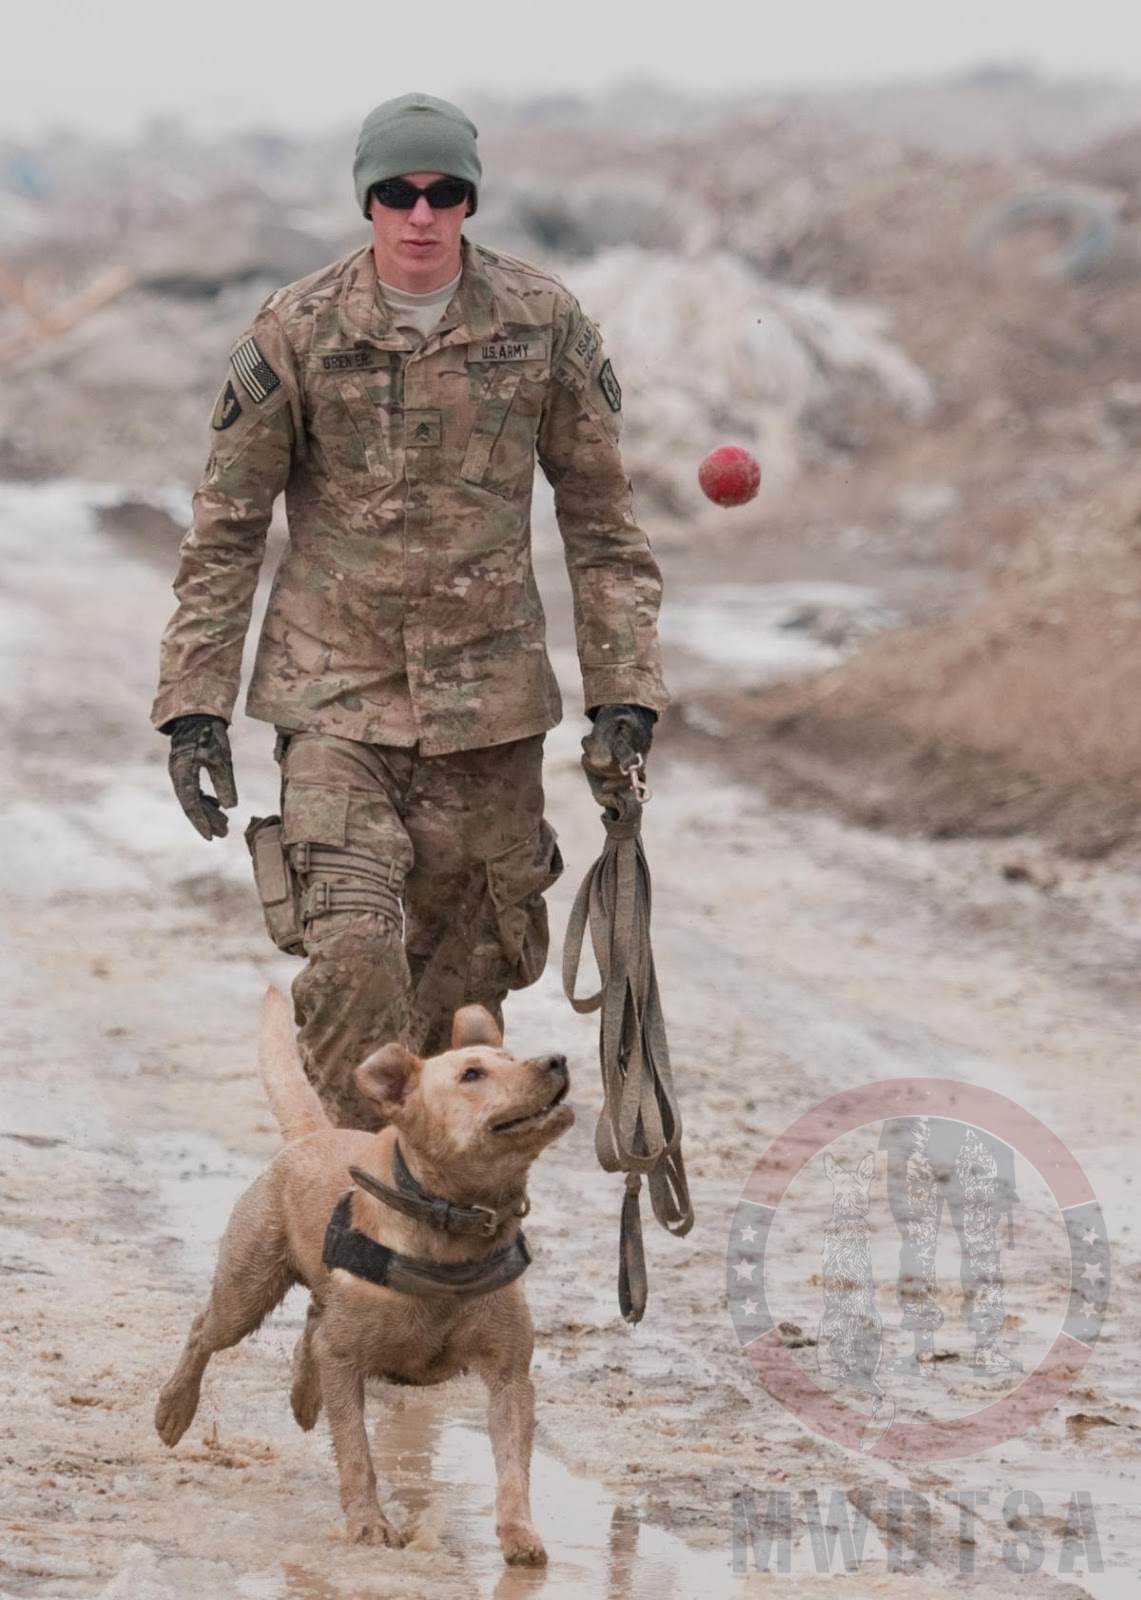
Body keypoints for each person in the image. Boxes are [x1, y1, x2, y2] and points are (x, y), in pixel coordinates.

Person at [152, 92, 668, 1129]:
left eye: (444, 192)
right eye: (398, 192)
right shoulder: (296, 331)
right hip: (336, 701)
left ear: (470, 200)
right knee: (353, 954)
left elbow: (605, 526)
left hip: (492, 717)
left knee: (464, 996)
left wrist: (627, 695)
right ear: (368, 201)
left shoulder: (543, 324)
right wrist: (192, 706)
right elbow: (225, 529)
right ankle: (354, 1203)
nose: (421, 213)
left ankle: (441, 1235)